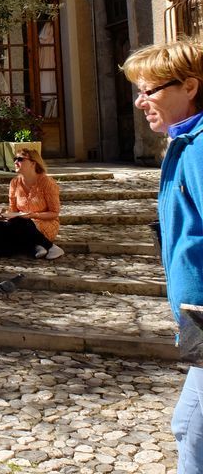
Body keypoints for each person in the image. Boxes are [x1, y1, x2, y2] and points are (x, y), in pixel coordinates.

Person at [121, 39, 203, 472]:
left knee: (193, 434)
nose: (140, 101)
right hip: (196, 320)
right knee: (188, 428)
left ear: (189, 86)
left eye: (149, 90)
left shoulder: (200, 146)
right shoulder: (185, 141)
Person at [0, 148, 63, 259]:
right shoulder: (14, 183)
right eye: (15, 159)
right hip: (22, 222)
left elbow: (54, 213)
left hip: (45, 223)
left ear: (33, 163)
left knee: (18, 225)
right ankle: (35, 246)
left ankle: (49, 246)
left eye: (20, 159)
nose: (15, 162)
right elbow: (14, 211)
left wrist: (33, 215)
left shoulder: (47, 183)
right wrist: (6, 212)